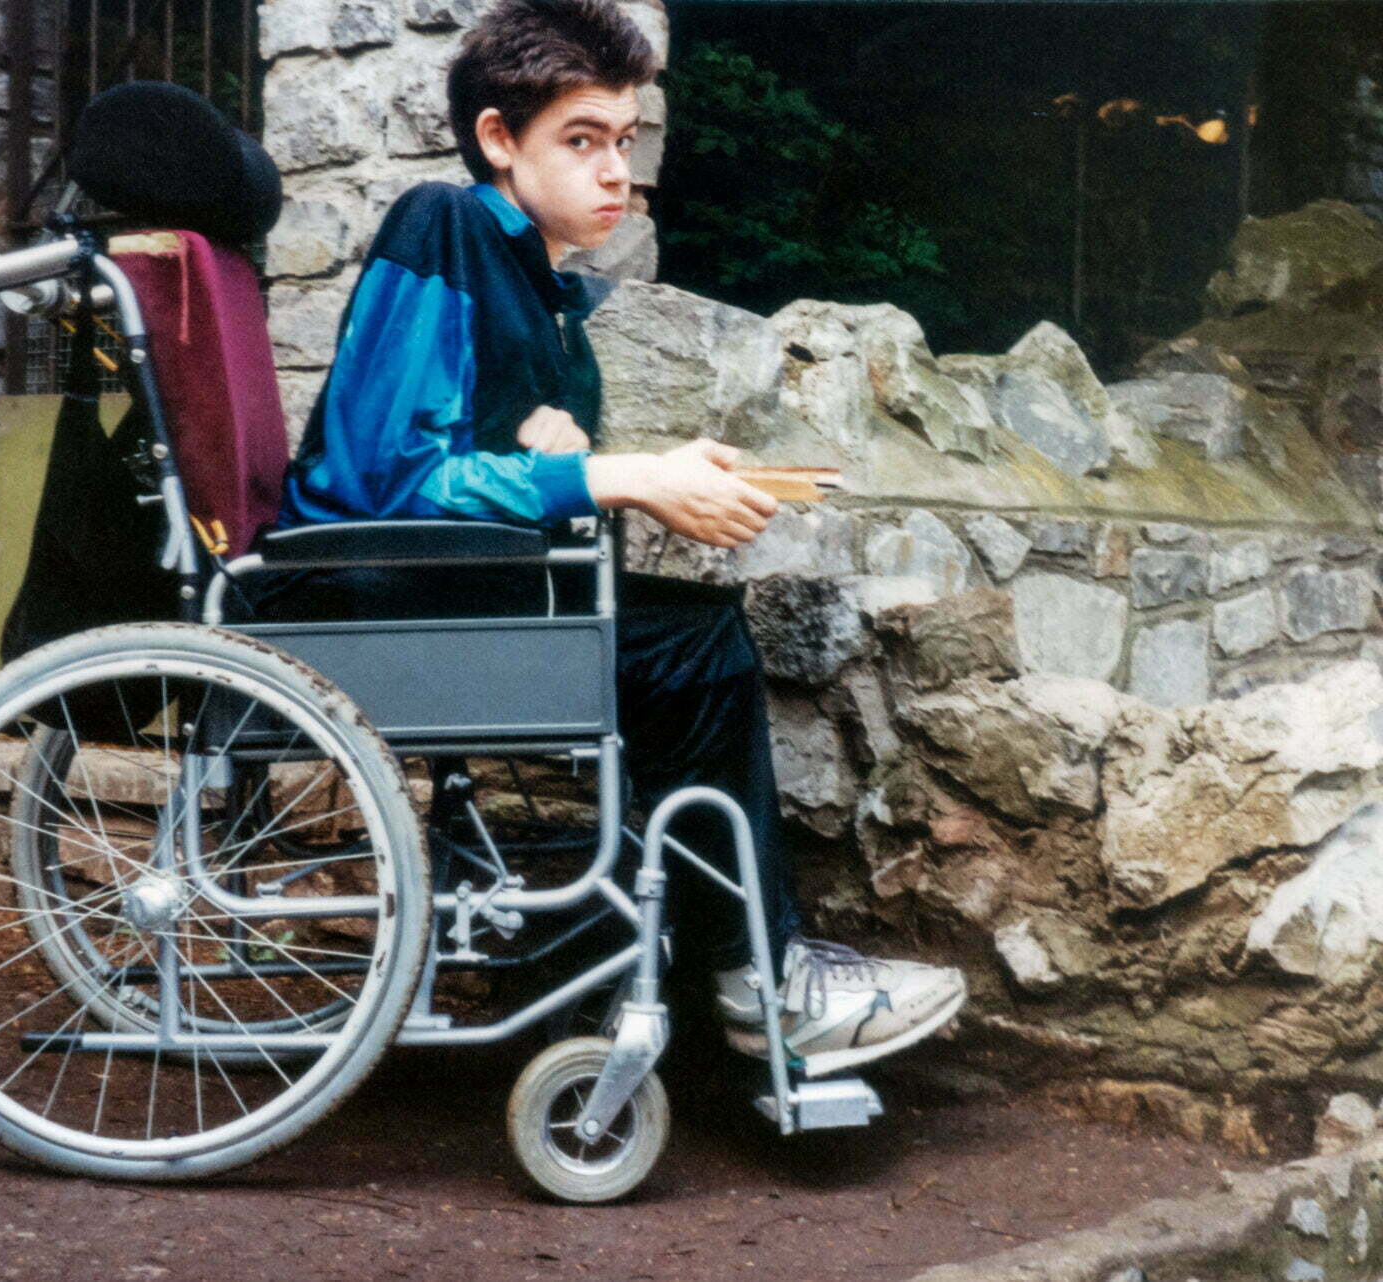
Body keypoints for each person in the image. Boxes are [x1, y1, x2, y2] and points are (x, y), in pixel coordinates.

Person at [272, 0, 966, 1075]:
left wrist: (580, 457)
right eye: (582, 141)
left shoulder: (546, 298)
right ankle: (759, 976)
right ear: (499, 140)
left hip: (433, 594)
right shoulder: (441, 226)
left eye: (625, 142)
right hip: (357, 599)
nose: (616, 173)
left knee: (695, 633)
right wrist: (620, 474)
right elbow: (390, 476)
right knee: (693, 645)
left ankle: (734, 968)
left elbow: (494, 460)